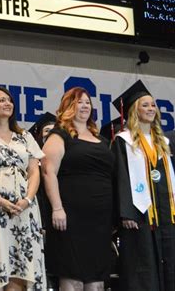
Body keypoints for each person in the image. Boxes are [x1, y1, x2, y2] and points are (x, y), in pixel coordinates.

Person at [0, 87, 46, 291]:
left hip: (25, 208)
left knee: (22, 264)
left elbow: (34, 172)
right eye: (1, 100)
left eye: (9, 100)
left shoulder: (24, 136)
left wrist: (28, 199)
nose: (7, 104)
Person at [42, 87, 114, 291]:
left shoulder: (100, 139)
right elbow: (48, 172)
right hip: (71, 217)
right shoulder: (59, 135)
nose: (84, 106)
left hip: (99, 220)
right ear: (68, 106)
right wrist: (57, 208)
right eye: (79, 102)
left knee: (96, 279)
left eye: (88, 102)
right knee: (73, 276)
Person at [111, 80, 175, 291]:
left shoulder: (164, 143)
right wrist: (127, 212)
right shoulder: (124, 141)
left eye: (153, 105)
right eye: (145, 105)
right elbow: (120, 178)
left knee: (170, 263)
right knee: (144, 266)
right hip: (140, 216)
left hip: (167, 214)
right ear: (134, 110)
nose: (150, 109)